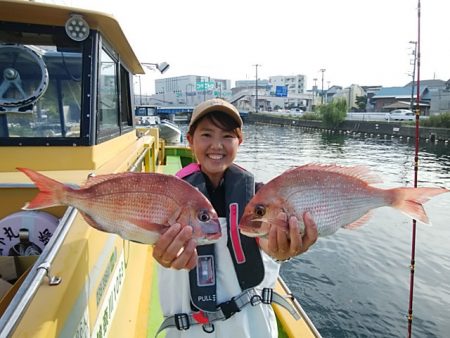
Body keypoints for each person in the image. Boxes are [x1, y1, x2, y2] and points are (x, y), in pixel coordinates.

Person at [152, 98, 318, 337]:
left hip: (250, 327)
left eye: (227, 136)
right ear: (190, 141)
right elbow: (154, 242)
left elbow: (268, 244)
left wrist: (282, 252)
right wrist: (162, 256)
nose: (216, 145)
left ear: (240, 141)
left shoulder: (259, 199)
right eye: (206, 135)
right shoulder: (169, 200)